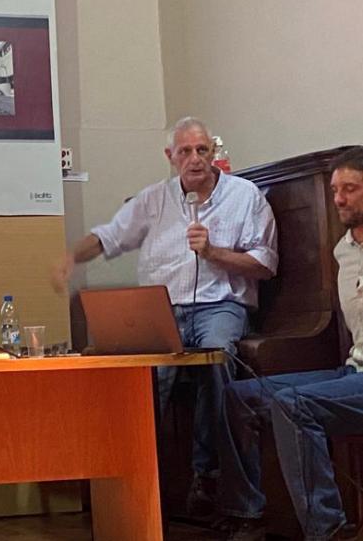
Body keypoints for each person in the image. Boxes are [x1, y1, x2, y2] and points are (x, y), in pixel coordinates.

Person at [52, 116, 278, 515]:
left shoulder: (246, 197)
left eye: (202, 150)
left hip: (220, 304)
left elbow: (265, 264)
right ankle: (132, 488)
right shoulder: (153, 199)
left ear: (213, 153)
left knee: (216, 360)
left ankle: (207, 476)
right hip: (162, 309)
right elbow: (109, 236)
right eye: (186, 151)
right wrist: (71, 257)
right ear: (170, 157)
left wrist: (214, 253)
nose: (195, 159)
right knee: (141, 378)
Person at [217, 147, 363, 541]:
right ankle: (249, 514)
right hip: (353, 370)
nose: (338, 199)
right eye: (335, 190)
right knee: (240, 395)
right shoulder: (343, 250)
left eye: (350, 189)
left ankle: (328, 530)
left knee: (294, 405)